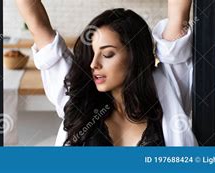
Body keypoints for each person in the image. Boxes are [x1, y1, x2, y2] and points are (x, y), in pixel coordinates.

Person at [16, 0, 196, 146]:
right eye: (92, 54)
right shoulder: (79, 97)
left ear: (134, 55)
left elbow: (178, 16)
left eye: (107, 54)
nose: (94, 64)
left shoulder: (168, 89)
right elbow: (37, 25)